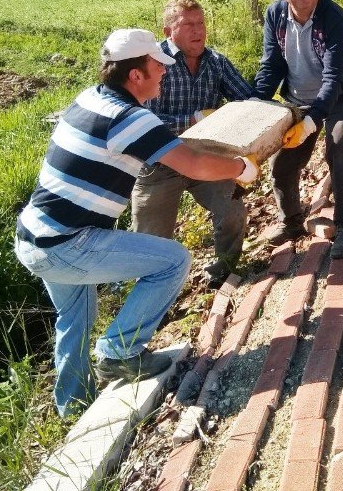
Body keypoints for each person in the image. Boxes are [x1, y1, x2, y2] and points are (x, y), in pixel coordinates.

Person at [14, 28, 259, 417]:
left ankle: (73, 406)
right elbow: (192, 164)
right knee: (173, 261)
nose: (164, 72)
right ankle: (120, 352)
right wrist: (240, 168)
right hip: (68, 244)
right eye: (157, 66)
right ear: (135, 76)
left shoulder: (89, 99)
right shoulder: (130, 119)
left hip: (34, 235)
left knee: (76, 318)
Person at [131, 0, 255, 287]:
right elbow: (143, 123)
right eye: (188, 25)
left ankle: (223, 273)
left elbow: (247, 99)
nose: (198, 31)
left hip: (206, 157)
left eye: (201, 23)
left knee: (232, 210)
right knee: (149, 241)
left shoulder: (217, 62)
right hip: (159, 164)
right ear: (167, 31)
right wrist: (195, 118)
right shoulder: (153, 65)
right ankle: (151, 297)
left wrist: (280, 113)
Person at [253, 0, 343, 259]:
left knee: (338, 145)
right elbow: (271, 66)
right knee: (282, 165)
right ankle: (291, 221)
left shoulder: (336, 19)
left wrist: (313, 120)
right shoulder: (275, 15)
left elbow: (334, 77)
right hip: (297, 100)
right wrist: (256, 101)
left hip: (340, 97)